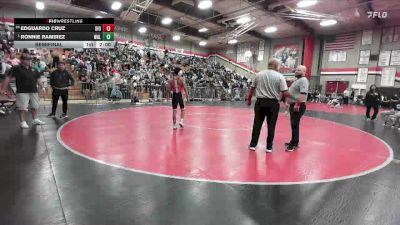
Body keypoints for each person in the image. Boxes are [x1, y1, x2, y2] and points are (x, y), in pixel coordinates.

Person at [247, 58, 292, 153]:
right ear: (276, 66)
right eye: (279, 65)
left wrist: (249, 99)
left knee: (257, 124)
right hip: (273, 104)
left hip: (260, 102)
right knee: (271, 126)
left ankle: (253, 145)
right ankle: (269, 147)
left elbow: (252, 88)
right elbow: (285, 92)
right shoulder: (280, 76)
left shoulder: (259, 74)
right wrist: (295, 98)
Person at [0, 53, 46, 129]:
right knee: (22, 107)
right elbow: (8, 78)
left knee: (35, 106)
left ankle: (35, 119)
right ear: (22, 60)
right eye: (27, 59)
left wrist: (43, 87)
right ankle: (22, 122)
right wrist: (3, 89)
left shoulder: (34, 69)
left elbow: (38, 79)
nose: (30, 61)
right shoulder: (16, 68)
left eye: (30, 59)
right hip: (22, 91)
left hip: (34, 91)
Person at [284, 65, 309, 151]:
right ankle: (294, 141)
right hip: (294, 105)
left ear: (304, 72)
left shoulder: (303, 80)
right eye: (296, 70)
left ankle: (293, 145)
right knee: (294, 124)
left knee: (294, 124)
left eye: (299, 70)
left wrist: (297, 105)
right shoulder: (298, 80)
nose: (296, 71)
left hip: (298, 106)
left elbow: (303, 93)